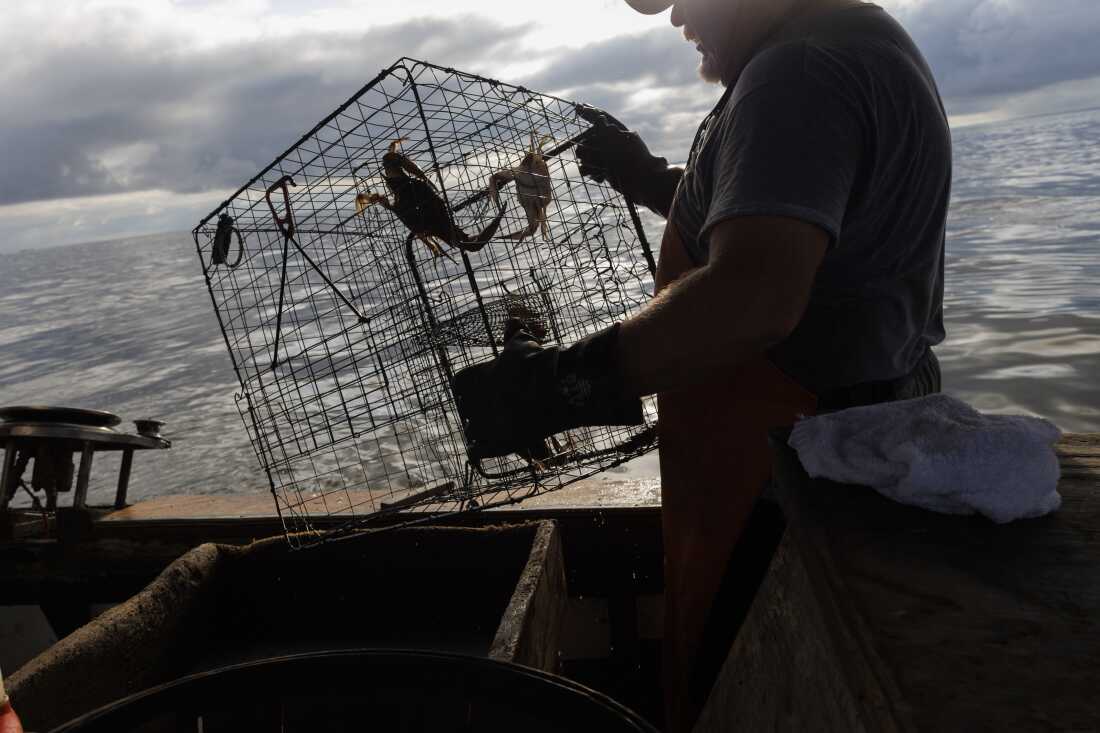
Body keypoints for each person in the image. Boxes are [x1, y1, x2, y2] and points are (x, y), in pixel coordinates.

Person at [452, 0, 949, 728]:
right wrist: (653, 180)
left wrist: (559, 383)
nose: (675, 13)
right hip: (826, 452)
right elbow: (777, 217)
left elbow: (754, 295)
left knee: (741, 696)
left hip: (788, 484)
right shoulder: (842, 39)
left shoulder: (798, 74)